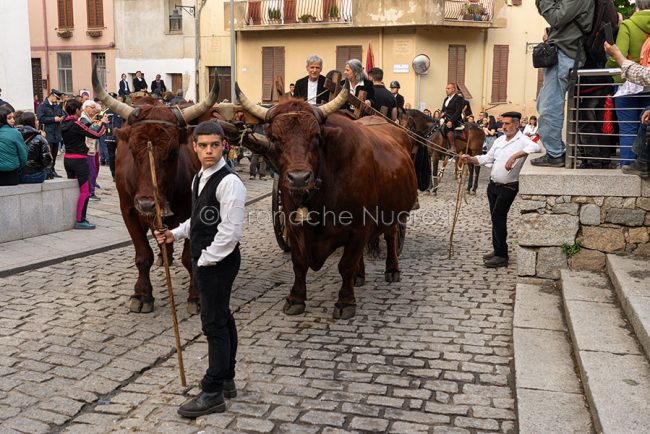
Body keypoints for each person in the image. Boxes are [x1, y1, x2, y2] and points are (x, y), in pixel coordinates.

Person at [154, 121, 246, 418]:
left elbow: (231, 232)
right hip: (206, 259)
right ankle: (228, 378)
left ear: (224, 146)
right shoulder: (198, 178)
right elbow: (199, 218)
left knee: (213, 324)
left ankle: (213, 391)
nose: (209, 151)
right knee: (223, 315)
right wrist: (175, 234)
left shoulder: (230, 182)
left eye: (214, 145)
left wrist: (205, 260)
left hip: (218, 261)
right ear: (194, 146)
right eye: (203, 145)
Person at [461, 112, 541, 268]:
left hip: (509, 187)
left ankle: (501, 255)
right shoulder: (499, 140)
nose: (503, 127)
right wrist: (471, 159)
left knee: (498, 216)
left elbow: (536, 147)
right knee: (495, 218)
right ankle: (498, 249)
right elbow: (487, 158)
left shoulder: (523, 140)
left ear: (517, 125)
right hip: (493, 186)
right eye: (502, 123)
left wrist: (515, 156)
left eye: (507, 124)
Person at [532, 0, 594, 167]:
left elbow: (556, 18)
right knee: (544, 104)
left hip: (566, 56)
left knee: (549, 107)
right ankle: (555, 151)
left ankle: (555, 154)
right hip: (565, 54)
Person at [604, 1, 650, 166]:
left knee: (628, 129)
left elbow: (619, 55)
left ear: (637, 6)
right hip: (648, 84)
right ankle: (644, 166)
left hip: (627, 85)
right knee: (646, 129)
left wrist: (607, 65)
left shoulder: (629, 25)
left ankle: (628, 167)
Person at [605, 40, 650, 177]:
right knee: (645, 116)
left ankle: (637, 163)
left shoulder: (628, 26)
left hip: (625, 88)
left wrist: (617, 55)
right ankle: (641, 163)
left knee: (628, 129)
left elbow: (645, 75)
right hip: (645, 90)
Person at [61, 99, 107, 229]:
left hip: (67, 159)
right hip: (79, 160)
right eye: (80, 108)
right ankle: (80, 220)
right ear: (76, 110)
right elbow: (96, 134)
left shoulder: (63, 122)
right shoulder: (76, 123)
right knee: (85, 192)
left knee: (73, 190)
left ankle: (72, 217)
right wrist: (103, 124)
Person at [16, 111, 52, 184]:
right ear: (32, 122)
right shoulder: (39, 138)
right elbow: (47, 161)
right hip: (34, 175)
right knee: (46, 172)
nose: (38, 122)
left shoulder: (15, 135)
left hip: (16, 174)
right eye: (36, 120)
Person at [37, 89, 65, 178]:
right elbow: (41, 119)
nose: (57, 101)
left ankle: (52, 170)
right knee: (47, 154)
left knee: (54, 153)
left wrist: (61, 118)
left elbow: (62, 114)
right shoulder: (42, 106)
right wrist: (53, 119)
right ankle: (46, 171)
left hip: (56, 133)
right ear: (52, 96)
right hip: (48, 133)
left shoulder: (57, 106)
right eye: (56, 99)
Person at [80, 100, 104, 200]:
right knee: (91, 171)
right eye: (92, 108)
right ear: (86, 107)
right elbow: (92, 130)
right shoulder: (83, 118)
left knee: (95, 169)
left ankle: (91, 189)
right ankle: (90, 192)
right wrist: (101, 123)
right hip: (88, 148)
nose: (94, 110)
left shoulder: (89, 117)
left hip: (94, 147)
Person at [0, 105, 27, 186]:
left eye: (13, 118)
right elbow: (23, 156)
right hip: (11, 176)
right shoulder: (15, 133)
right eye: (9, 118)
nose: (13, 120)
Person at [440, 83, 464, 153]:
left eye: (448, 88)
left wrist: (451, 121)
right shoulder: (446, 99)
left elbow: (458, 111)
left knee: (447, 127)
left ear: (453, 89)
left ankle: (453, 146)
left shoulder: (458, 98)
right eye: (446, 88)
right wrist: (442, 114)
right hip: (446, 118)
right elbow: (443, 110)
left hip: (455, 120)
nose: (446, 90)